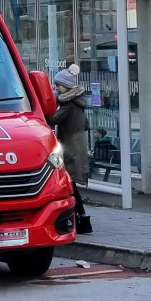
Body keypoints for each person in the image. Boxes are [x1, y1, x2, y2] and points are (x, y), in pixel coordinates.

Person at [48, 66, 92, 234]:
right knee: (71, 184)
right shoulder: (79, 104)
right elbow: (86, 125)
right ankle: (82, 217)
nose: (55, 88)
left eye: (58, 85)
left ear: (66, 86)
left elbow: (53, 119)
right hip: (78, 146)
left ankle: (79, 218)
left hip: (71, 149)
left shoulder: (69, 105)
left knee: (69, 185)